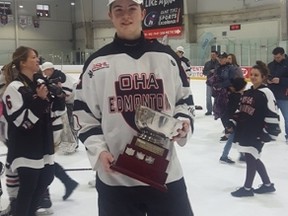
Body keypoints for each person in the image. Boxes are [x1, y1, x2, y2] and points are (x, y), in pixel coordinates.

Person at [73, 0, 195, 215]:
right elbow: (84, 115)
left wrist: (183, 123)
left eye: (132, 8)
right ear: (110, 15)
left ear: (143, 13)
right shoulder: (96, 63)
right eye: (118, 10)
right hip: (116, 177)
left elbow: (183, 100)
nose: (125, 15)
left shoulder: (167, 57)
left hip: (165, 173)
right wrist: (99, 151)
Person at [1, 46, 66, 216]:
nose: (37, 60)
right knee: (28, 189)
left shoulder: (39, 84)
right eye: (33, 57)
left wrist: (58, 97)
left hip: (43, 145)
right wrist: (42, 100)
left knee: (46, 179)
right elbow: (23, 122)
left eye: (37, 56)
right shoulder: (14, 88)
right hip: (25, 148)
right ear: (22, 62)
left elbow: (56, 114)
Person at [230, 61, 281, 197]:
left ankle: (247, 188)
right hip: (246, 131)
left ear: (263, 77)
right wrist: (232, 123)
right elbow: (241, 109)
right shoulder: (248, 92)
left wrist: (269, 132)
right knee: (253, 157)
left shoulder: (267, 93)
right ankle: (267, 185)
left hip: (258, 132)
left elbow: (272, 112)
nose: (252, 77)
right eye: (251, 74)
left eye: (256, 75)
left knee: (251, 157)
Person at [41, 61, 79, 154]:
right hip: (65, 102)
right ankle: (71, 143)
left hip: (70, 102)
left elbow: (67, 92)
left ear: (50, 69)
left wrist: (59, 94)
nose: (44, 73)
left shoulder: (61, 77)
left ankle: (74, 143)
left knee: (70, 122)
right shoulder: (52, 77)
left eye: (45, 71)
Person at [219, 77, 247, 164]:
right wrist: (229, 124)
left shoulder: (235, 96)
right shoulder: (235, 97)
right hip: (232, 122)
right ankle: (224, 156)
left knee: (238, 137)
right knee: (232, 139)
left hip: (235, 121)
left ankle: (242, 155)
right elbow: (229, 112)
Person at [267, 47, 288, 144]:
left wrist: (281, 80)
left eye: (278, 57)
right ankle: (271, 133)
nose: (276, 59)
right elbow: (266, 76)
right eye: (275, 57)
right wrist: (267, 80)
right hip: (272, 95)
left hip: (284, 96)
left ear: (283, 55)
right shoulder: (270, 65)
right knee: (271, 116)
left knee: (287, 117)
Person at [203, 50, 219, 115]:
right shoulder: (207, 63)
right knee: (208, 96)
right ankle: (209, 110)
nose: (212, 56)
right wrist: (210, 72)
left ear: (216, 55)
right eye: (211, 54)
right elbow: (204, 72)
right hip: (209, 82)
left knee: (216, 97)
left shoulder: (219, 64)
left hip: (216, 83)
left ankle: (215, 110)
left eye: (214, 55)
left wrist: (215, 72)